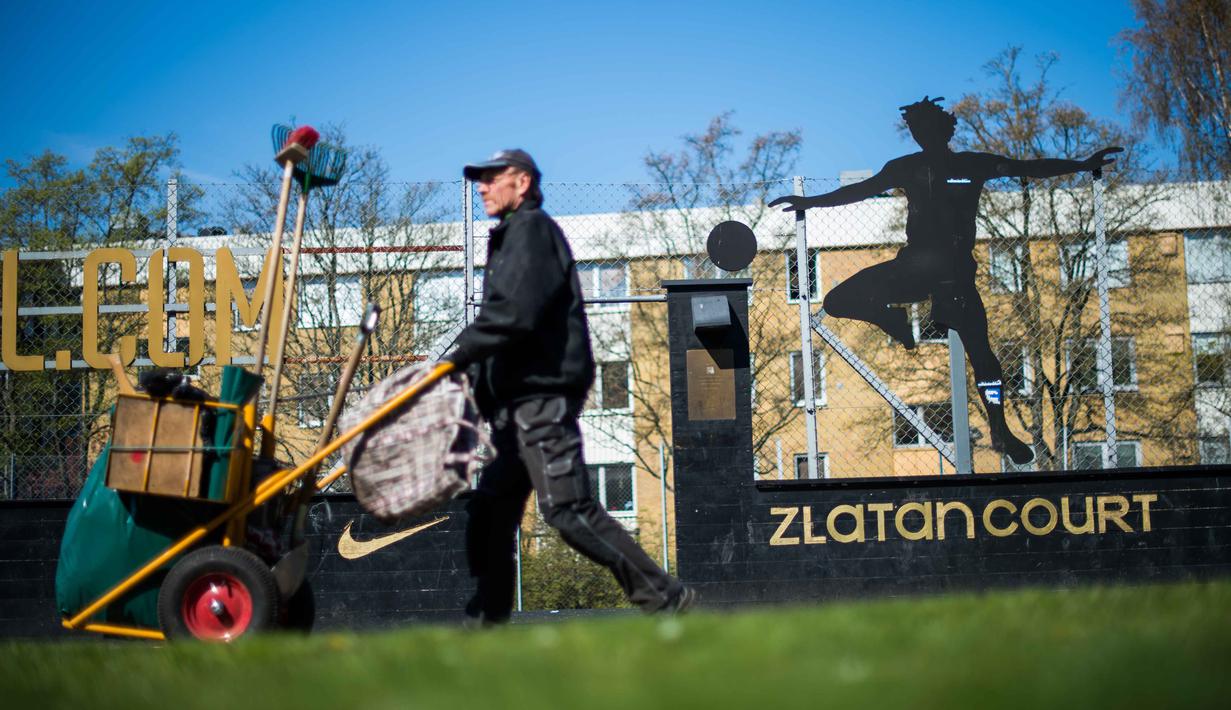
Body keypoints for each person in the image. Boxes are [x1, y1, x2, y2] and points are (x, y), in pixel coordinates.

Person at [769, 97, 1122, 464]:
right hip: (918, 268)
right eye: (915, 131)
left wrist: (1082, 165)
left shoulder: (971, 164)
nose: (920, 136)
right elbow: (857, 191)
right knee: (836, 300)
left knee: (982, 354)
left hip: (952, 276)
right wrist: (808, 203)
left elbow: (1030, 167)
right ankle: (891, 318)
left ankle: (999, 426)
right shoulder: (907, 167)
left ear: (942, 130)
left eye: (924, 130)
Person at [444, 149, 695, 624]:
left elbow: (513, 315)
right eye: (478, 180)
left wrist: (457, 356)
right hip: (515, 406)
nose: (481, 187)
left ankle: (665, 597)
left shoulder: (532, 232)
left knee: (567, 509)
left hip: (542, 397)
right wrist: (476, 379)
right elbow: (506, 326)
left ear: (521, 183)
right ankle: (486, 625)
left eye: (490, 179)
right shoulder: (510, 238)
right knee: (491, 513)